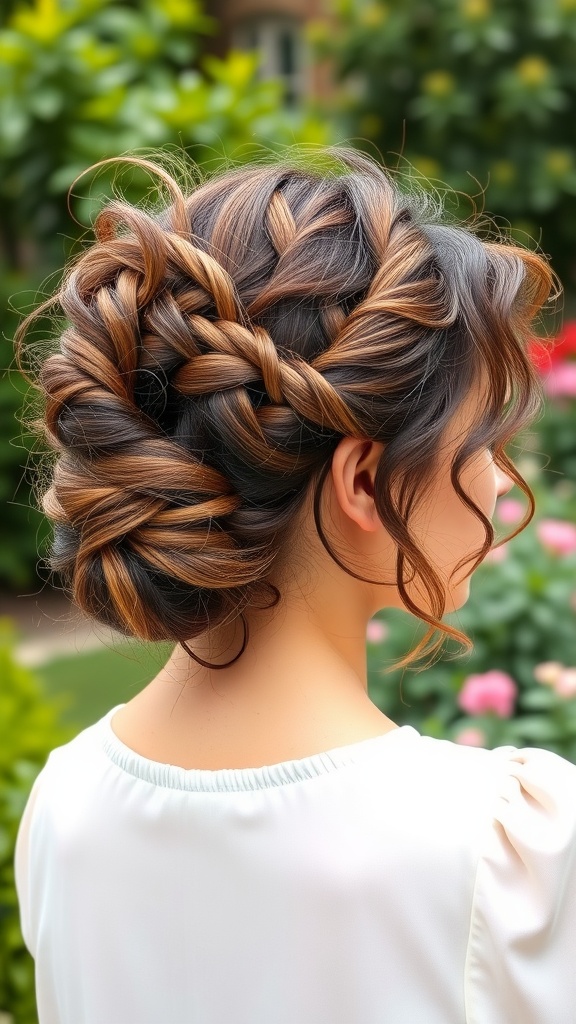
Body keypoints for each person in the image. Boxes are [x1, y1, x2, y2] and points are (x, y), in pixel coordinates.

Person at [14, 146, 576, 1024]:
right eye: (482, 445)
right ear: (363, 482)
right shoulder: (504, 853)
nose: (500, 484)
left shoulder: (66, 804)